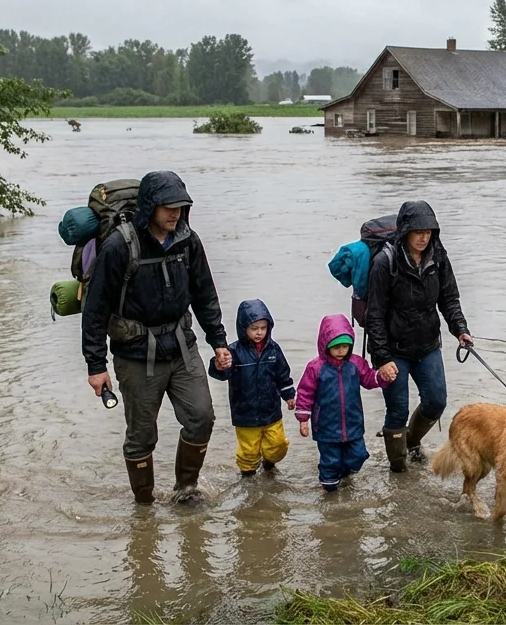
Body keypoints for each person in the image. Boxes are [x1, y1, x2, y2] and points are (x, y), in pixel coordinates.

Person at [81, 170, 232, 504]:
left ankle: (186, 489)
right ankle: (144, 504)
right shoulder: (120, 245)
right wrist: (96, 364)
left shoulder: (188, 240)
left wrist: (218, 341)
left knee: (201, 418)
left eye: (180, 206)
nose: (175, 213)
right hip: (135, 353)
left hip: (181, 347)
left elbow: (205, 294)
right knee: (141, 437)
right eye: (168, 206)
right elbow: (95, 310)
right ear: (150, 205)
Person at [364, 200, 473, 472]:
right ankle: (399, 471)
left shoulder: (438, 257)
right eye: (418, 231)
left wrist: (460, 329)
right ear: (405, 232)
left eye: (429, 231)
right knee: (397, 411)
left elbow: (449, 298)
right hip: (393, 351)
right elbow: (374, 315)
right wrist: (382, 358)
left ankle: (411, 443)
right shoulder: (384, 262)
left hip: (427, 346)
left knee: (436, 401)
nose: (424, 237)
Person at [294, 314, 397, 492]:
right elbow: (305, 393)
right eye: (336, 347)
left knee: (359, 454)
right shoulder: (315, 367)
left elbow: (370, 379)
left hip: (353, 423)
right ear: (326, 345)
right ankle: (329, 488)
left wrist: (382, 376)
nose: (341, 351)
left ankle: (346, 472)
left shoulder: (356, 363)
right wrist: (304, 419)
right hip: (326, 426)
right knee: (330, 460)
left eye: (345, 346)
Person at [208, 299, 296, 477]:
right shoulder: (233, 351)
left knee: (278, 445)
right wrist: (219, 365)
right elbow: (220, 373)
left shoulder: (274, 350)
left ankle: (269, 462)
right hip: (244, 413)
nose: (259, 333)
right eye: (254, 328)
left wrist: (289, 395)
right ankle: (247, 476)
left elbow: (283, 375)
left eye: (263, 328)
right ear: (243, 328)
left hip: (271, 411)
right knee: (249, 450)